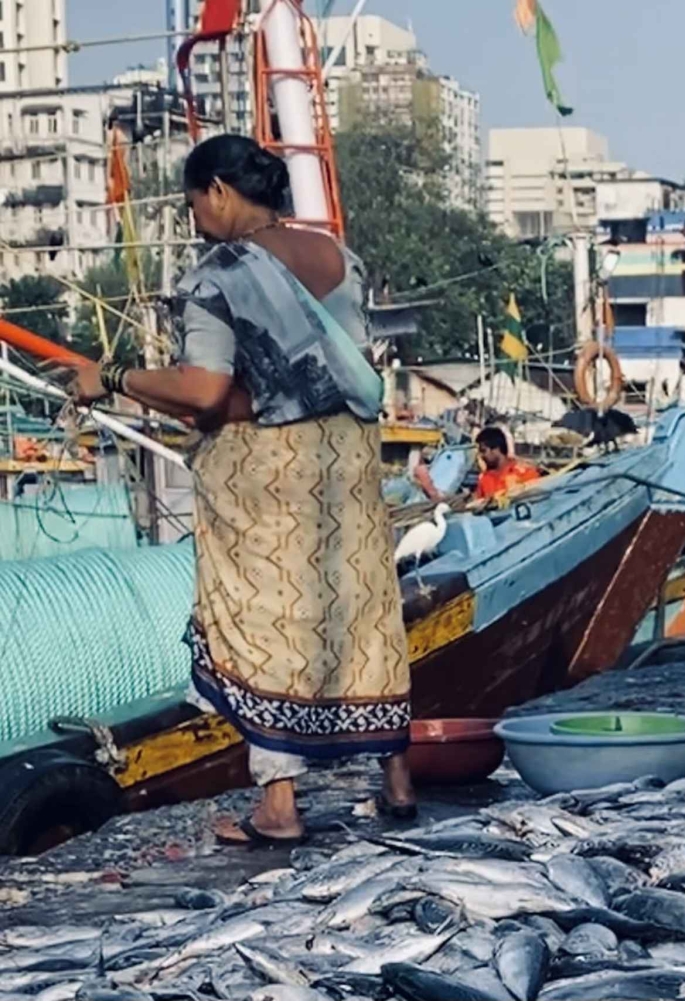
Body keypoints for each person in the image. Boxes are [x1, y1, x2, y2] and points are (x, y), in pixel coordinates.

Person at [60, 135, 414, 844]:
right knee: (364, 609)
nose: (195, 221)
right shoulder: (340, 259)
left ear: (219, 190)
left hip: (267, 472)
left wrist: (116, 379)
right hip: (346, 458)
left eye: (194, 204)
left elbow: (206, 391)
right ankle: (399, 779)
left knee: (264, 620)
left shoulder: (217, 275)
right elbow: (324, 374)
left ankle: (279, 806)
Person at [475, 425, 541, 502]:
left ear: (496, 449)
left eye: (483, 451)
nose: (481, 456)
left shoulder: (524, 473)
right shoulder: (484, 479)